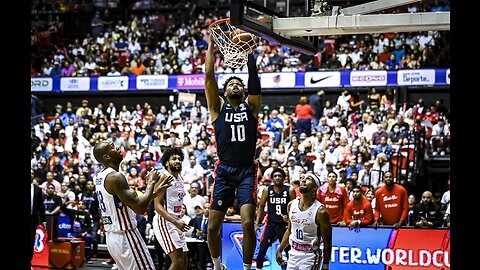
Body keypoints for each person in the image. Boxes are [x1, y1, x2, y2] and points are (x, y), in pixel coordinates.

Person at [204, 32, 262, 270]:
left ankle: (247, 268)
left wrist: (249, 56)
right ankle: (218, 266)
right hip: (224, 171)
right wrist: (210, 46)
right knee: (212, 227)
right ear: (225, 91)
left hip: (247, 170)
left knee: (248, 224)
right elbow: (209, 76)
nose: (236, 85)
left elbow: (255, 81)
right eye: (231, 84)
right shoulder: (217, 109)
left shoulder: (252, 107)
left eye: (239, 84)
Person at [93, 140, 171, 270]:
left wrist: (153, 193)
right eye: (112, 147)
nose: (117, 147)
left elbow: (126, 202)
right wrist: (150, 183)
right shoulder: (115, 177)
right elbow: (140, 208)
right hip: (126, 236)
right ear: (106, 157)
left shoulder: (101, 176)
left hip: (113, 238)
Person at [276, 173, 332, 270]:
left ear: (315, 188)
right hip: (293, 253)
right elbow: (290, 230)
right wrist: (280, 249)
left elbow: (327, 242)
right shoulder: (291, 205)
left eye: (308, 179)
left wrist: (325, 265)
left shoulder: (321, 212)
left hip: (310, 256)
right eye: (302, 178)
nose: (303, 180)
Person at [152, 147, 191, 270]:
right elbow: (157, 206)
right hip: (165, 222)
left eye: (179, 159)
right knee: (178, 261)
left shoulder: (180, 178)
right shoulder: (163, 177)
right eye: (174, 159)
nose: (178, 161)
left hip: (176, 222)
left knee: (184, 262)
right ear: (167, 162)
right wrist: (175, 222)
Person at [255, 168, 296, 270]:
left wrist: (290, 217)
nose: (277, 178)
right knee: (261, 251)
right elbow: (261, 206)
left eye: (280, 176)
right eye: (275, 176)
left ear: (284, 178)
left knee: (289, 252)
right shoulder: (267, 190)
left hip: (285, 226)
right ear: (272, 178)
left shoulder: (290, 190)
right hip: (271, 224)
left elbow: (295, 208)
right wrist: (257, 223)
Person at [31, 169, 47, 263]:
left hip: (32, 219)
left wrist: (44, 220)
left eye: (32, 173)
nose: (31, 175)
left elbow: (41, 206)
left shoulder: (37, 189)